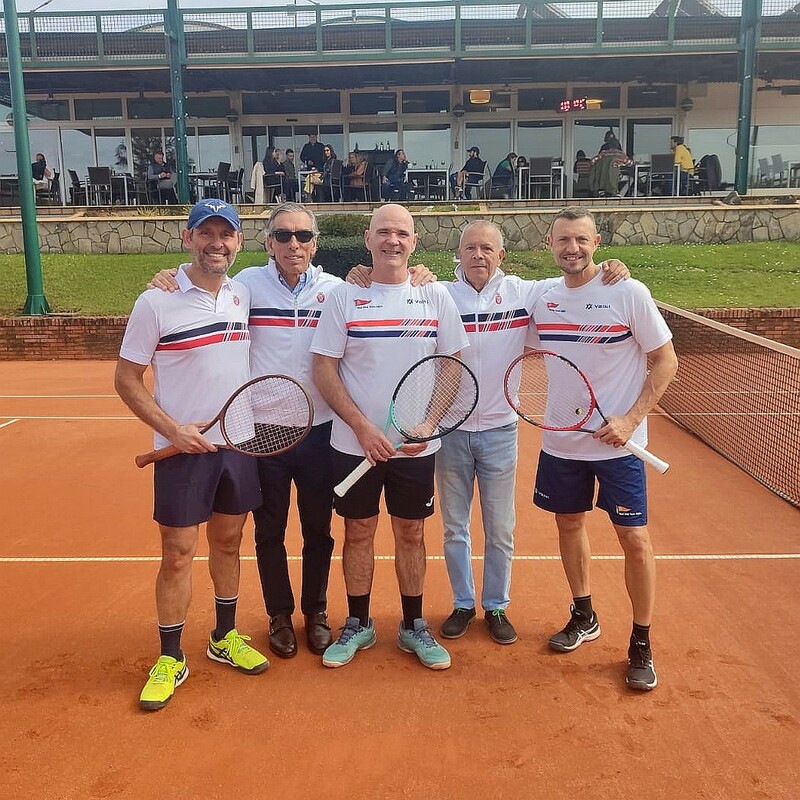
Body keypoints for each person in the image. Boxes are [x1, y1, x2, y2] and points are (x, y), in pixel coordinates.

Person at [147, 202, 434, 660]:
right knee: (269, 531)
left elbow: (386, 284)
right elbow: (201, 282)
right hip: (261, 434)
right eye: (283, 235)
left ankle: (316, 613)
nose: (293, 244)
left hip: (320, 431)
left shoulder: (338, 289)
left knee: (319, 529)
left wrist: (418, 272)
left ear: (315, 244)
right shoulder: (244, 287)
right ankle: (279, 616)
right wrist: (170, 276)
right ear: (268, 243)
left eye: (303, 236)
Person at [346, 224, 629, 646]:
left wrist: (610, 267)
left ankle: (496, 605)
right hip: (450, 432)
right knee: (454, 528)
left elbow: (576, 278)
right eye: (470, 248)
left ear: (501, 254)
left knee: (499, 529)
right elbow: (395, 282)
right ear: (458, 254)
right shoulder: (437, 293)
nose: (478, 255)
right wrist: (363, 272)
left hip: (500, 430)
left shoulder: (526, 293)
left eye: (486, 248)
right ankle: (463, 603)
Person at [115, 200, 269, 711]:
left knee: (229, 543)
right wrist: (172, 431)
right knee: (178, 553)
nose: (216, 243)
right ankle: (170, 657)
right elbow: (126, 379)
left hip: (238, 443)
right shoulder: (155, 302)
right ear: (188, 238)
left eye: (226, 234)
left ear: (239, 242)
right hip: (180, 451)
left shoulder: (244, 293)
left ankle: (224, 637)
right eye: (206, 233)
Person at [311, 204, 468, 671]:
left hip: (416, 447)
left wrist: (430, 423)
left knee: (411, 532)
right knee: (357, 532)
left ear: (414, 241)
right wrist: (361, 427)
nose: (392, 240)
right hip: (353, 445)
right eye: (383, 232)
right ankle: (358, 623)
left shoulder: (435, 295)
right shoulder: (344, 297)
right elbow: (324, 368)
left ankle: (413, 625)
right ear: (368, 239)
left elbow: (452, 366)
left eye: (401, 233)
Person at [532, 207, 678, 691]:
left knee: (633, 539)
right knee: (568, 525)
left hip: (621, 447)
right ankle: (584, 614)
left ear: (597, 242)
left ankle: (641, 640)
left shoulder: (628, 292)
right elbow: (482, 287)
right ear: (549, 244)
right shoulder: (542, 297)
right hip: (562, 442)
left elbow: (665, 361)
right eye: (563, 240)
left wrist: (631, 420)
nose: (572, 248)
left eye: (581, 239)